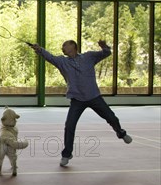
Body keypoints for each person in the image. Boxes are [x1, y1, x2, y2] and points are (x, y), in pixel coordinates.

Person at [30, 39, 132, 167]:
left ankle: (120, 133)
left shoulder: (89, 57)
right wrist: (39, 49)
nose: (63, 48)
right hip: (77, 99)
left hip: (94, 96)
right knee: (69, 126)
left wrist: (104, 46)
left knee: (111, 117)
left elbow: (106, 53)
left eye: (64, 45)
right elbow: (49, 57)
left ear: (73, 46)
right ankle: (67, 154)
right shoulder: (62, 62)